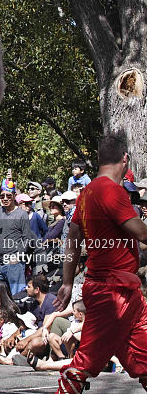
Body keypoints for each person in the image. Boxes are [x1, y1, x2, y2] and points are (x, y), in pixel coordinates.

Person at [52, 134, 147, 393]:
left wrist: (68, 282)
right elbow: (143, 233)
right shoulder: (111, 191)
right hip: (112, 293)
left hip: (124, 292)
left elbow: (72, 238)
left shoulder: (87, 192)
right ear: (125, 158)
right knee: (84, 364)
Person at [0, 189, 37, 295]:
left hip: (14, 264)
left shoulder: (21, 214)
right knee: (2, 298)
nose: (5, 198)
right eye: (2, 196)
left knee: (17, 296)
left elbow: (27, 238)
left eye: (8, 196)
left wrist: (18, 257)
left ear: (14, 196)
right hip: (0, 262)